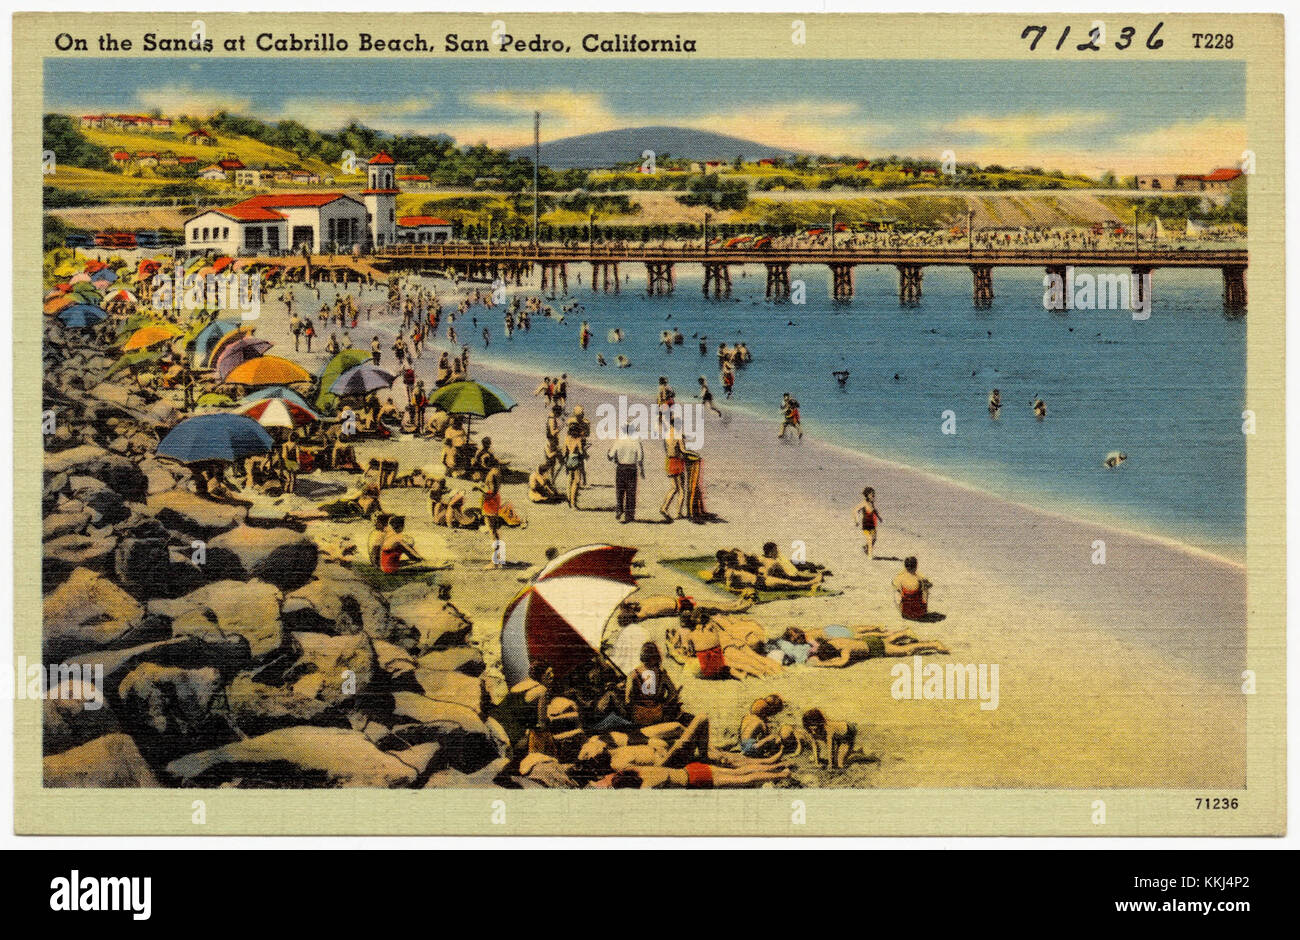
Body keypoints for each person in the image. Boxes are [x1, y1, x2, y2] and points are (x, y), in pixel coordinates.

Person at [625, 642, 677, 727]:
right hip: (657, 715)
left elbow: (628, 699)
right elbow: (673, 693)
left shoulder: (633, 674)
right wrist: (663, 706)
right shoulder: (661, 673)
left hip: (639, 717)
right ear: (656, 656)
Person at [801, 708, 867, 769]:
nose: (813, 732)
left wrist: (830, 765)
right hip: (837, 735)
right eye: (811, 729)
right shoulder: (810, 729)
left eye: (815, 729)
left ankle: (856, 753)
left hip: (847, 732)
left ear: (819, 724)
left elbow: (830, 748)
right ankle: (851, 752)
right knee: (836, 759)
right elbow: (815, 746)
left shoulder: (828, 728)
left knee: (839, 764)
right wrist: (816, 763)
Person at [607, 422, 645, 523]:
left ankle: (619, 509)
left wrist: (609, 453)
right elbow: (640, 457)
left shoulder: (618, 441)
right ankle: (629, 515)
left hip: (620, 468)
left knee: (620, 491)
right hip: (632, 468)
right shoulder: (636, 441)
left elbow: (610, 456)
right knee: (631, 493)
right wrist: (642, 470)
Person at [660, 417, 686, 522]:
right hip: (677, 462)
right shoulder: (678, 435)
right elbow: (683, 450)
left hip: (668, 461)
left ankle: (664, 507)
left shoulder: (666, 434)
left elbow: (667, 449)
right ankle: (679, 512)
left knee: (673, 488)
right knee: (681, 489)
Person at [892, 555, 931, 620]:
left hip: (906, 613)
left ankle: (903, 610)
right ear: (916, 566)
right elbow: (929, 585)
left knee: (897, 591)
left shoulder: (900, 578)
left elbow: (893, 583)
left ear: (905, 566)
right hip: (919, 613)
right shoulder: (920, 579)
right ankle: (923, 610)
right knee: (925, 589)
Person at [855, 486, 882, 558]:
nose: (873, 495)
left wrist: (879, 517)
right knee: (870, 539)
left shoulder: (871, 503)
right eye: (871, 494)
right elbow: (855, 510)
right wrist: (856, 520)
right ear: (867, 495)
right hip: (866, 524)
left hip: (872, 524)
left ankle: (865, 548)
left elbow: (874, 510)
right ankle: (870, 557)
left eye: (873, 494)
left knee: (874, 539)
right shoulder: (864, 503)